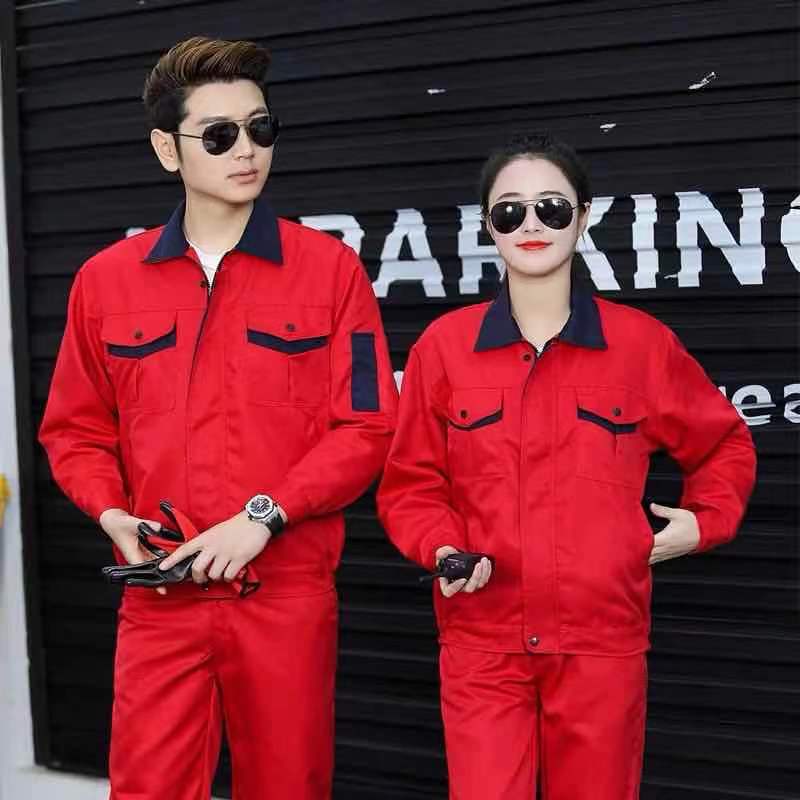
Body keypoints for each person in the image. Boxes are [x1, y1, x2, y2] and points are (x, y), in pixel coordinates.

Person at [38, 36, 397, 800]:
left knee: (289, 787)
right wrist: (110, 512)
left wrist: (264, 516)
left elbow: (367, 427)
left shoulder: (330, 272)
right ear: (167, 149)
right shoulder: (105, 282)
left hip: (283, 596)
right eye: (220, 134)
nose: (247, 150)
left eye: (261, 128)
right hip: (160, 597)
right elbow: (74, 430)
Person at [376, 132, 756, 800]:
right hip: (483, 643)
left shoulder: (640, 346)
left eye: (551, 208)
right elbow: (411, 483)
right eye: (510, 211)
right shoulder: (444, 348)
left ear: (583, 217)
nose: (531, 225)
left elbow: (724, 443)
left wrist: (705, 521)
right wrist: (444, 548)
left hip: (601, 645)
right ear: (487, 226)